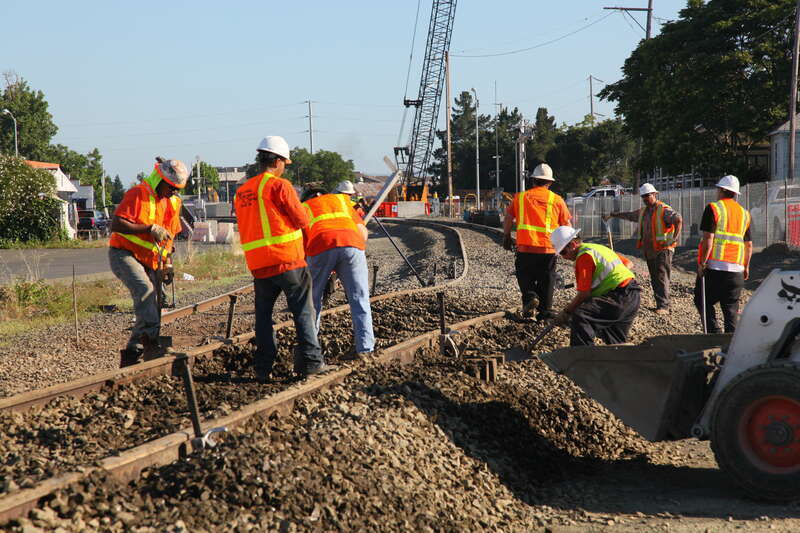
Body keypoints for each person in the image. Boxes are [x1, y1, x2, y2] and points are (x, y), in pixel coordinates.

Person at [234, 136, 329, 381]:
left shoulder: (243, 191)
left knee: (263, 318)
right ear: (276, 161)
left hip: (259, 265)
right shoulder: (280, 186)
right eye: (284, 162)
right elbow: (301, 220)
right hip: (287, 261)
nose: (285, 166)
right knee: (303, 312)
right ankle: (311, 362)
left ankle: (263, 368)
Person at [109, 157, 188, 367]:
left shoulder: (173, 202)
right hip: (124, 254)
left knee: (154, 305)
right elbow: (115, 223)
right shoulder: (138, 193)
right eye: (171, 187)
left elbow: (169, 237)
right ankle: (152, 345)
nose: (174, 191)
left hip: (151, 259)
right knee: (145, 292)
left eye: (177, 188)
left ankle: (133, 355)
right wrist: (148, 228)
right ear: (159, 180)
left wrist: (168, 264)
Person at [303, 180, 374, 360]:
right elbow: (363, 233)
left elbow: (302, 243)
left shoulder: (304, 207)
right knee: (360, 298)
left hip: (320, 246)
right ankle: (365, 349)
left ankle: (312, 353)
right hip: (353, 245)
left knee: (313, 301)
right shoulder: (342, 202)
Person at [550, 226, 642, 346]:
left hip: (619, 297)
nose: (564, 257)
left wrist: (566, 312)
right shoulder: (597, 248)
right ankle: (618, 361)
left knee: (581, 316)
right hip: (633, 295)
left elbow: (584, 294)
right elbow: (628, 264)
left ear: (572, 244)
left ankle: (582, 357)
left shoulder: (584, 256)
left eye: (563, 252)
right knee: (615, 340)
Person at [502, 163, 571, 321]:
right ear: (550, 182)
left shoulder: (520, 198)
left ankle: (530, 297)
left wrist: (506, 236)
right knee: (547, 279)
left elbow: (507, 218)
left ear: (533, 180)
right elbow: (567, 226)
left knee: (524, 275)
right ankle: (545, 312)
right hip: (548, 249)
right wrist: (565, 247)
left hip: (525, 248)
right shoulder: (557, 200)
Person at [604, 183, 682, 314]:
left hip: (663, 250)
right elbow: (629, 215)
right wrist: (613, 214)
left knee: (661, 277)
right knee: (654, 277)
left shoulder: (663, 210)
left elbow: (678, 219)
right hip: (650, 250)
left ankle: (664, 306)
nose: (645, 198)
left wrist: (674, 239)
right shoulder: (643, 212)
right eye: (643, 196)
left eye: (648, 196)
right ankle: (660, 304)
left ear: (655, 195)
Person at [695, 175, 753, 334]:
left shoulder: (713, 208)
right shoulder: (744, 214)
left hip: (715, 267)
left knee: (702, 300)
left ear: (721, 190)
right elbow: (748, 244)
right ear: (735, 193)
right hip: (737, 271)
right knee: (731, 309)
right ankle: (730, 345)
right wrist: (746, 267)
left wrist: (702, 263)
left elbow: (708, 238)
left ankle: (714, 334)